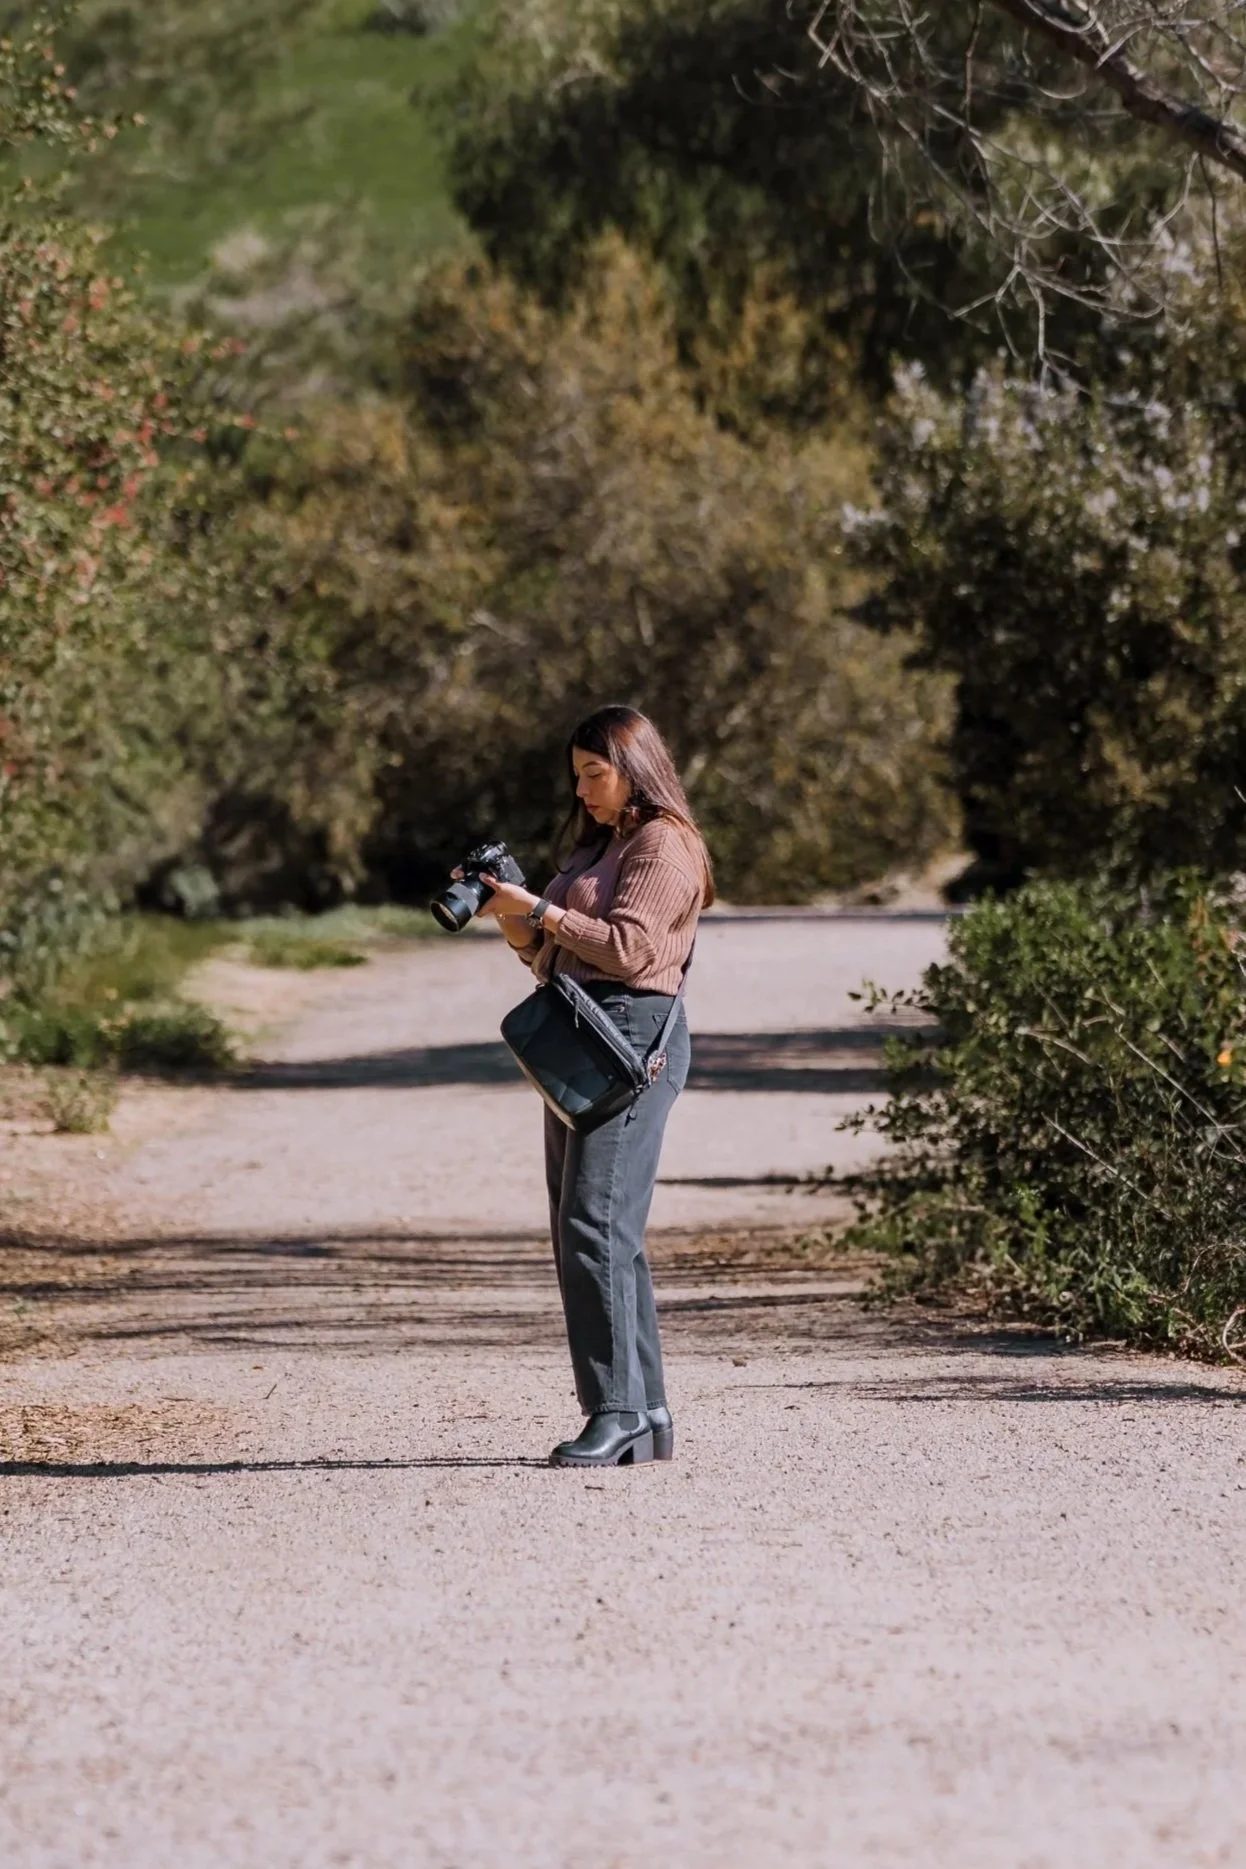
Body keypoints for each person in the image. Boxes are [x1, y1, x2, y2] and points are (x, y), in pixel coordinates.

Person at [474, 704, 714, 1468]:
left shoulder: (664, 845)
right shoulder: (602, 846)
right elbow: (548, 956)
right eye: (575, 774)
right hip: (581, 1031)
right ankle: (647, 1413)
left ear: (633, 767)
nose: (581, 789)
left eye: (594, 773)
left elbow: (631, 950)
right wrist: (512, 911)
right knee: (599, 1228)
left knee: (594, 1225)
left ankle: (614, 1412)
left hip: (633, 1040)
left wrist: (543, 907)